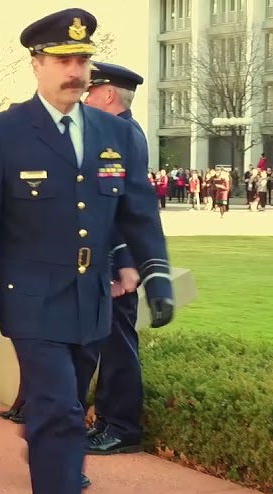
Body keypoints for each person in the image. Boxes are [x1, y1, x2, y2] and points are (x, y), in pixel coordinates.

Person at [0, 9, 175, 494]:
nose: (75, 72)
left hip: (91, 299)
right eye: (63, 61)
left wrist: (155, 274)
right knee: (61, 412)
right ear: (36, 64)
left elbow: (134, 210)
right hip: (30, 298)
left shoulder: (113, 134)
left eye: (82, 61)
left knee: (61, 412)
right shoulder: (1, 135)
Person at [78, 60, 150, 456]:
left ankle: (122, 426)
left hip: (117, 256)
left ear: (108, 95)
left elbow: (121, 204)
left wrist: (121, 264)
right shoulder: (121, 131)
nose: (86, 97)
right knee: (109, 339)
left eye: (91, 91)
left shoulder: (121, 133)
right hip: (113, 253)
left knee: (119, 342)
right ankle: (108, 420)